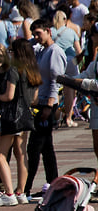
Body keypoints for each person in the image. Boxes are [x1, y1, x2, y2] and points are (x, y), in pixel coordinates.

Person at [25, 19, 65, 198]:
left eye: (38, 33)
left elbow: (56, 81)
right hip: (40, 103)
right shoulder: (42, 50)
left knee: (35, 147)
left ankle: (25, 187)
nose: (36, 37)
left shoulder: (55, 52)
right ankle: (53, 183)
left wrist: (49, 105)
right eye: (34, 34)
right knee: (46, 147)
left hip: (47, 104)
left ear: (48, 31)